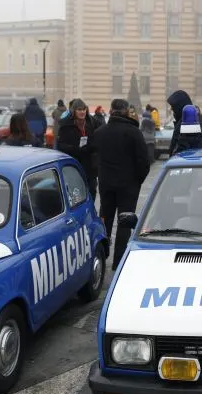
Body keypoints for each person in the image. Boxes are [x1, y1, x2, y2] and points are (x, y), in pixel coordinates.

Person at [91, 98, 151, 270]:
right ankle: (118, 262)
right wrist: (137, 180)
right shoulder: (133, 132)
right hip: (128, 185)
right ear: (126, 111)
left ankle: (101, 257)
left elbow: (93, 157)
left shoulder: (100, 132)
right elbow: (144, 162)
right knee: (125, 222)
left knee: (105, 219)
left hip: (106, 184)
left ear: (111, 111)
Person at [57, 98, 101, 199]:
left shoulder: (93, 122)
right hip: (74, 163)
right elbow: (61, 145)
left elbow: (99, 137)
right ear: (74, 111)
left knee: (91, 190)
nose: (82, 112)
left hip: (90, 164)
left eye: (84, 109)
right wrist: (76, 149)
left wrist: (91, 146)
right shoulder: (66, 125)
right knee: (76, 192)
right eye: (79, 110)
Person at [166, 89, 193, 155]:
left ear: (179, 106)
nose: (171, 109)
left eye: (173, 106)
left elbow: (179, 149)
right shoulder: (183, 121)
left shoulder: (185, 124)